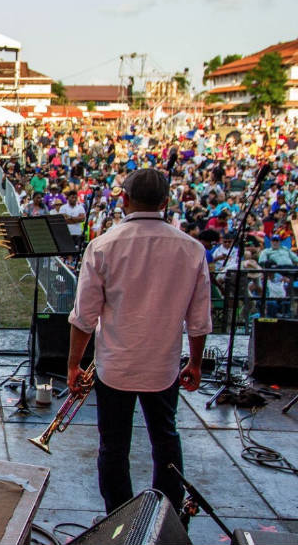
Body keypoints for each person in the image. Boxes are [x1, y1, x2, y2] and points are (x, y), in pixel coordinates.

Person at [67, 168, 211, 516]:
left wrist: (73, 364)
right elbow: (199, 319)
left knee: (113, 447)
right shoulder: (192, 250)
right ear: (165, 203)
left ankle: (120, 518)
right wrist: (195, 362)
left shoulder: (102, 247)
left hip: (115, 367)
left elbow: (85, 317)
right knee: (165, 438)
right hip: (163, 368)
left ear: (124, 200)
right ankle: (167, 514)